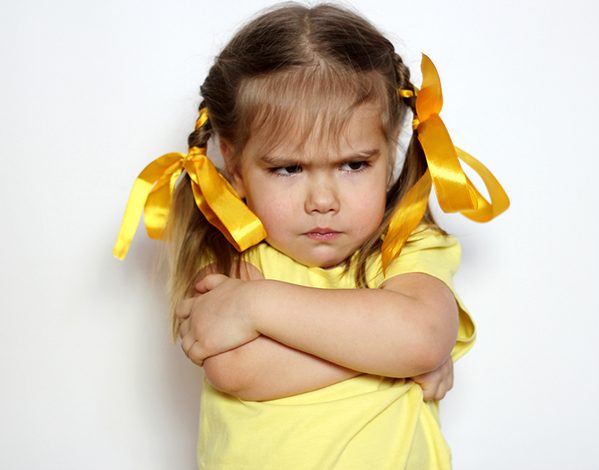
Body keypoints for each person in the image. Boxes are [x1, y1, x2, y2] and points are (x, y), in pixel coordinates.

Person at [113, 3, 509, 469]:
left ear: (390, 152)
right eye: (289, 169)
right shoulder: (230, 245)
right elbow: (236, 367)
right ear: (235, 166)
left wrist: (254, 305)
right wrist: (395, 358)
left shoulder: (406, 244)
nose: (323, 200)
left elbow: (421, 335)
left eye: (353, 165)